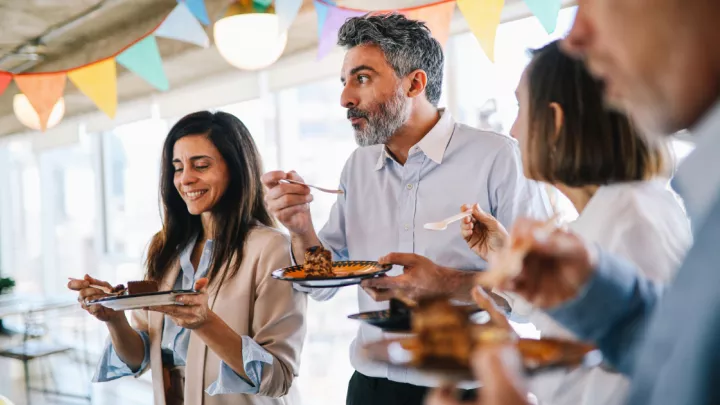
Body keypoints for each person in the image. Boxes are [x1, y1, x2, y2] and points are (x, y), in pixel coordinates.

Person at [433, 0, 720, 404]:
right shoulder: (616, 216)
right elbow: (667, 354)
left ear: (555, 122)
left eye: (521, 109)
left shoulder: (631, 219)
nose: (513, 132)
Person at [261, 13, 551, 405]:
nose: (345, 98)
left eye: (361, 78)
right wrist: (300, 229)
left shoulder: (498, 157)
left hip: (471, 388)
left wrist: (448, 283)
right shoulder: (358, 166)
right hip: (371, 389)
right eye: (344, 81)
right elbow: (324, 284)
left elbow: (536, 295)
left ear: (415, 83)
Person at [68, 111, 307, 405]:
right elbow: (142, 357)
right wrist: (115, 319)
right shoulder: (164, 248)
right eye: (178, 167)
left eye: (201, 165)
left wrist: (205, 322)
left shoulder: (271, 249)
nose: (186, 179)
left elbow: (278, 377)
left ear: (236, 168)